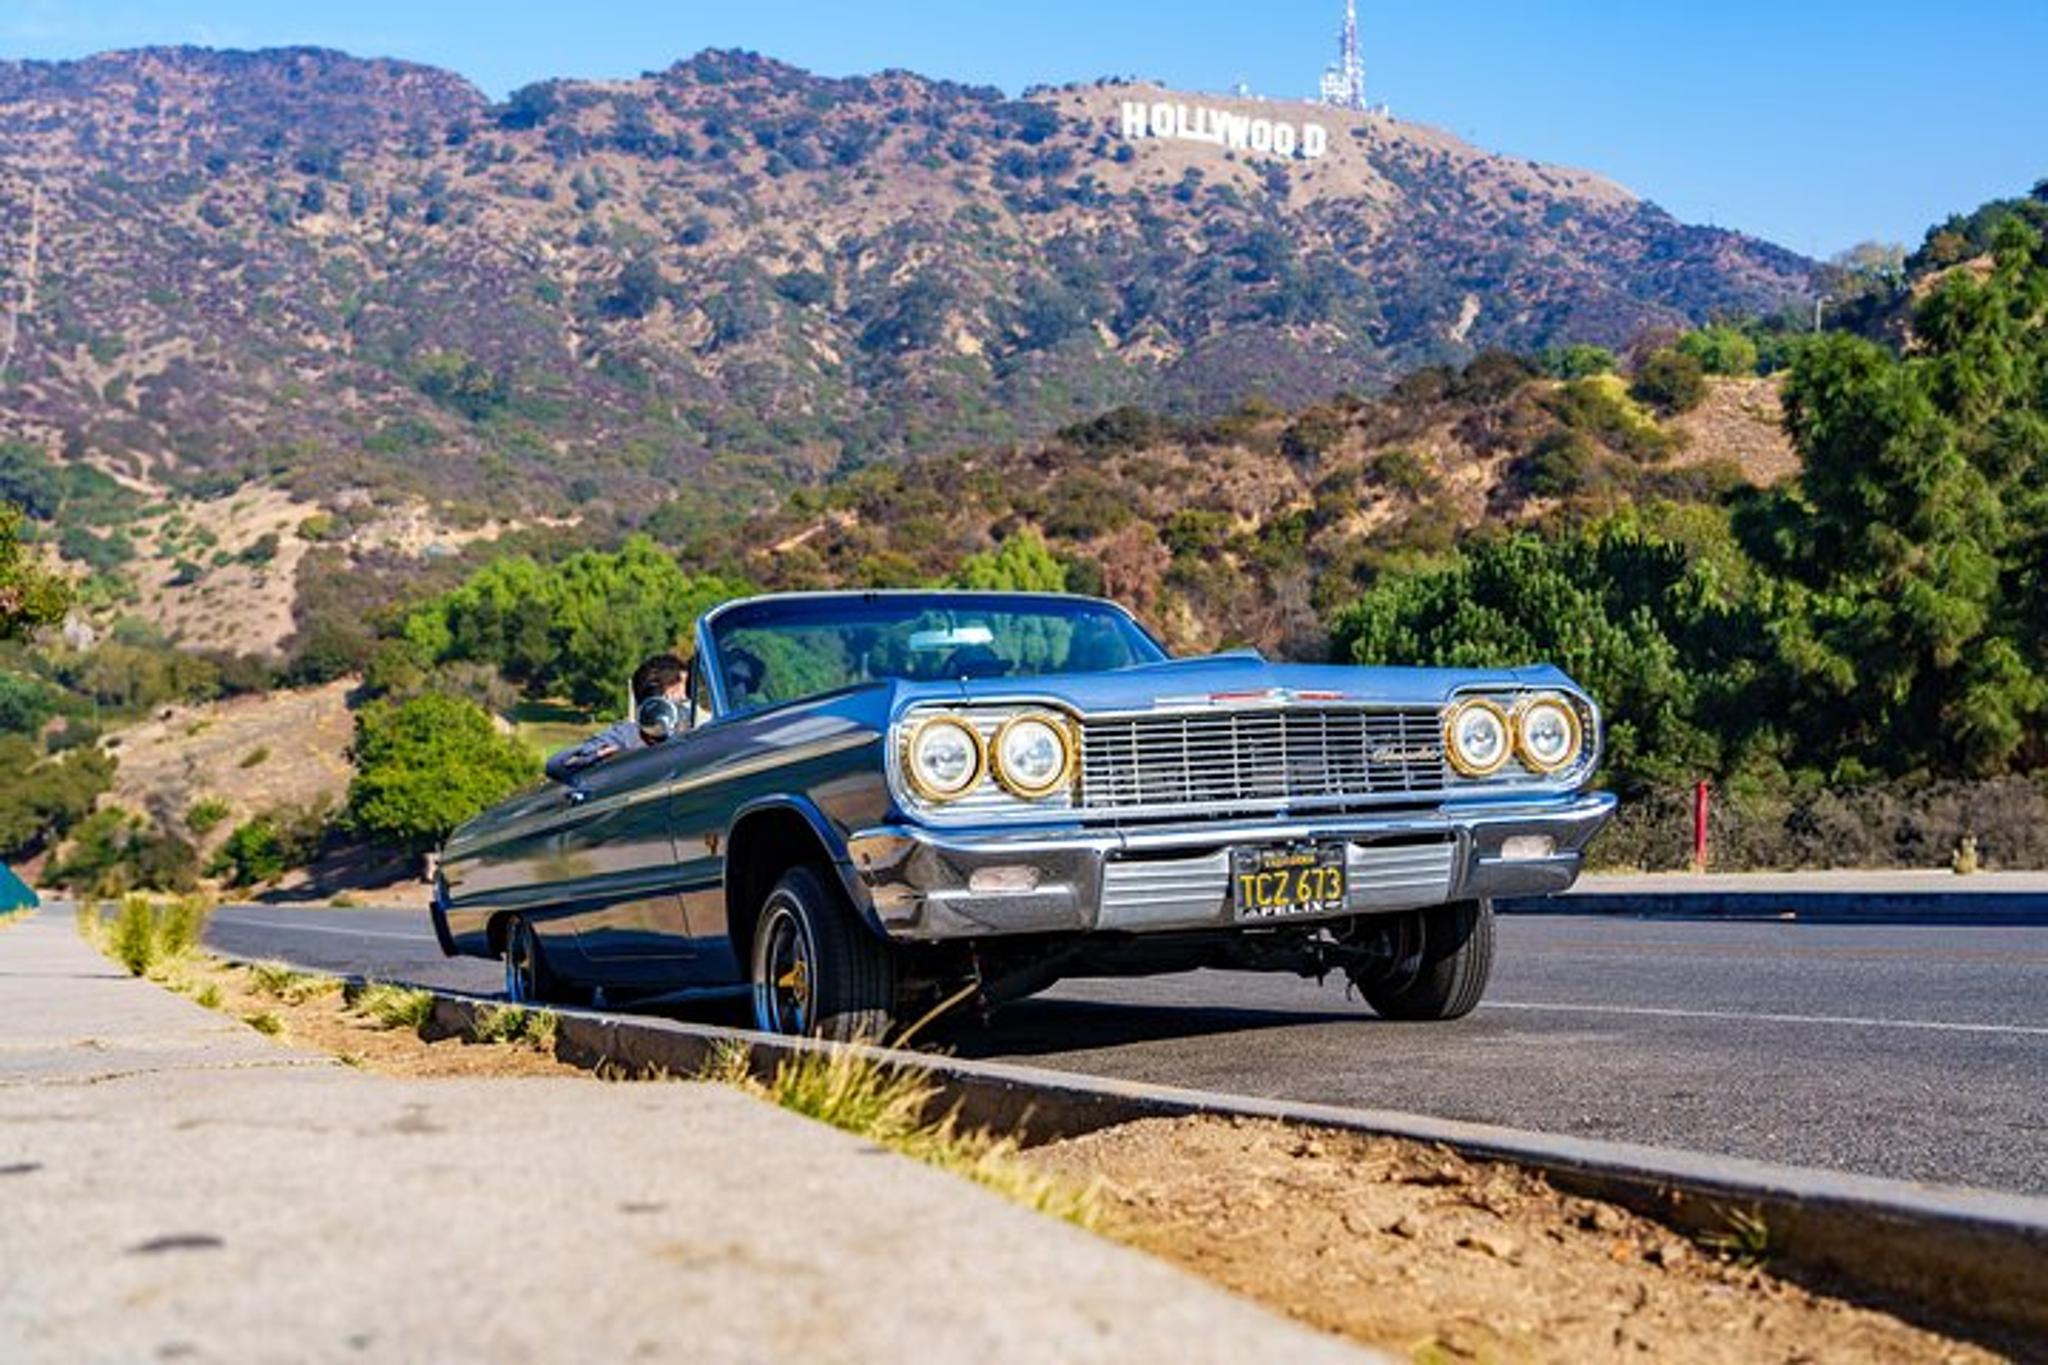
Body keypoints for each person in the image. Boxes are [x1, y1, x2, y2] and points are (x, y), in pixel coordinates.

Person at [544, 653, 689, 784]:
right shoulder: (625, 736)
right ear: (659, 702)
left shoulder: (689, 729)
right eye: (681, 701)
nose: (687, 707)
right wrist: (597, 756)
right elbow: (556, 765)